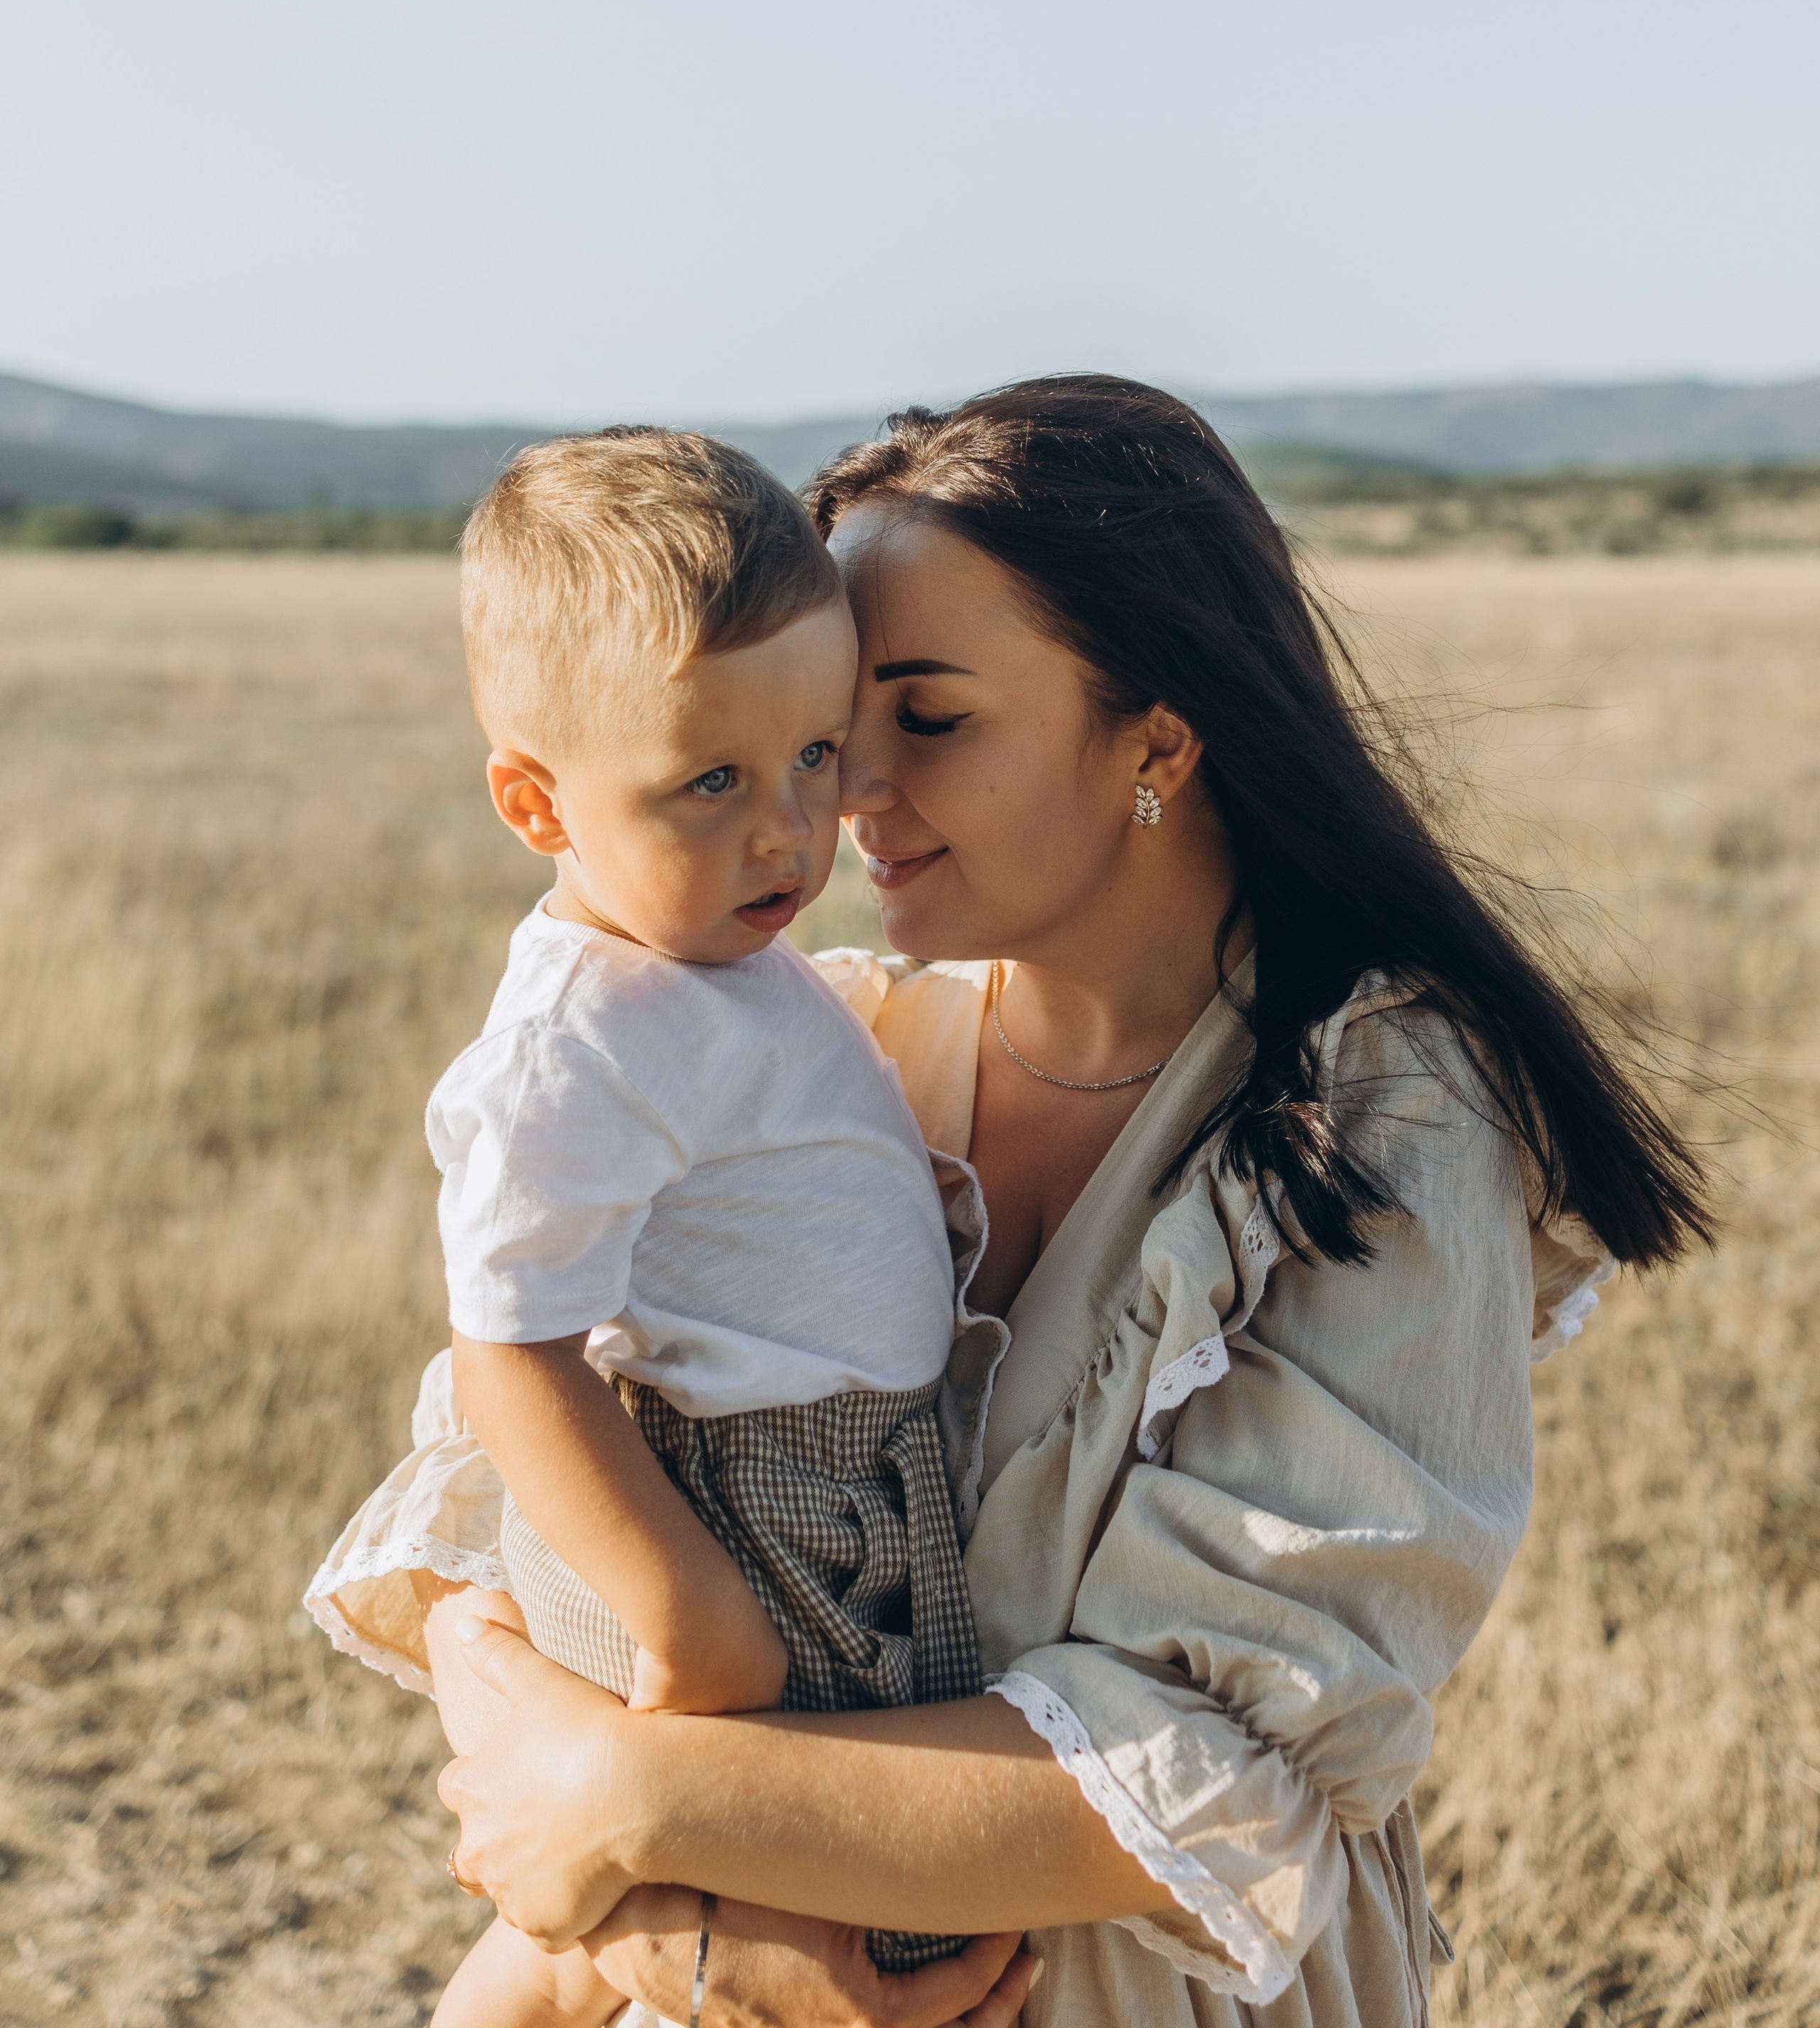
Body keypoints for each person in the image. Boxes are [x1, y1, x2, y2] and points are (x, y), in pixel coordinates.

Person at [431, 375, 1713, 2028]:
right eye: (827, 721)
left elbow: (1204, 1769)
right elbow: (489, 1520)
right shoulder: (815, 1041)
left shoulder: (1378, 1115)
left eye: (922, 719)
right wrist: (671, 1935)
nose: (841, 799)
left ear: (1156, 740)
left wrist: (632, 1807)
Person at [306, 429, 984, 2028]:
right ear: (535, 801)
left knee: (693, 1899)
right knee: (719, 1915)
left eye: (814, 757)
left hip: (832, 1486)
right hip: (735, 1515)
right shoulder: (579, 1041)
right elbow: (508, 1349)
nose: (787, 832)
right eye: (709, 782)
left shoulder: (711, 969)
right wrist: (687, 1617)